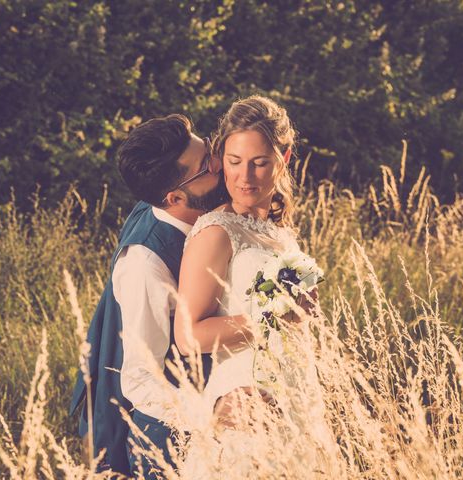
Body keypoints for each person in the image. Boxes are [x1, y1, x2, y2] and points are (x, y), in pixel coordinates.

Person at [174, 96, 337, 476]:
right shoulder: (216, 232)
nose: (245, 176)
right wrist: (276, 314)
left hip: (295, 394)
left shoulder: (280, 232)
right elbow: (188, 336)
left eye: (259, 162)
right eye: (234, 162)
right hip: (245, 400)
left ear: (285, 158)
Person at [69, 114, 226, 478]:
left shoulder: (174, 207)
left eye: (210, 150)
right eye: (206, 166)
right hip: (170, 442)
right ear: (175, 197)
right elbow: (141, 379)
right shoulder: (145, 264)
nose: (219, 163)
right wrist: (213, 413)